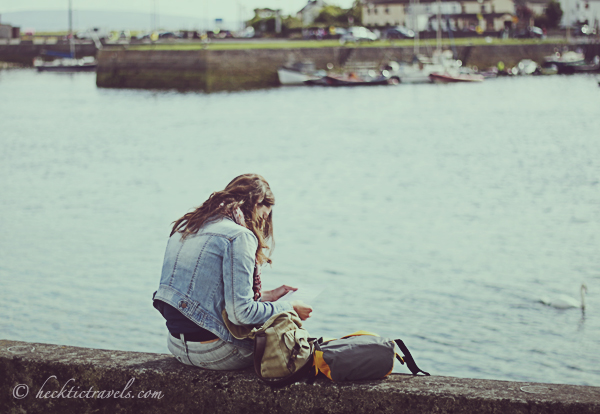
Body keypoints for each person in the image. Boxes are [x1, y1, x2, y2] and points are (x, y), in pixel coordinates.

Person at [152, 174, 312, 370]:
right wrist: (289, 307)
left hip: (176, 346)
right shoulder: (239, 236)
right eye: (264, 216)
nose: (262, 224)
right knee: (290, 344)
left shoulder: (188, 225)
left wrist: (268, 296)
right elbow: (241, 315)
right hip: (214, 352)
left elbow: (208, 297)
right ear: (257, 203)